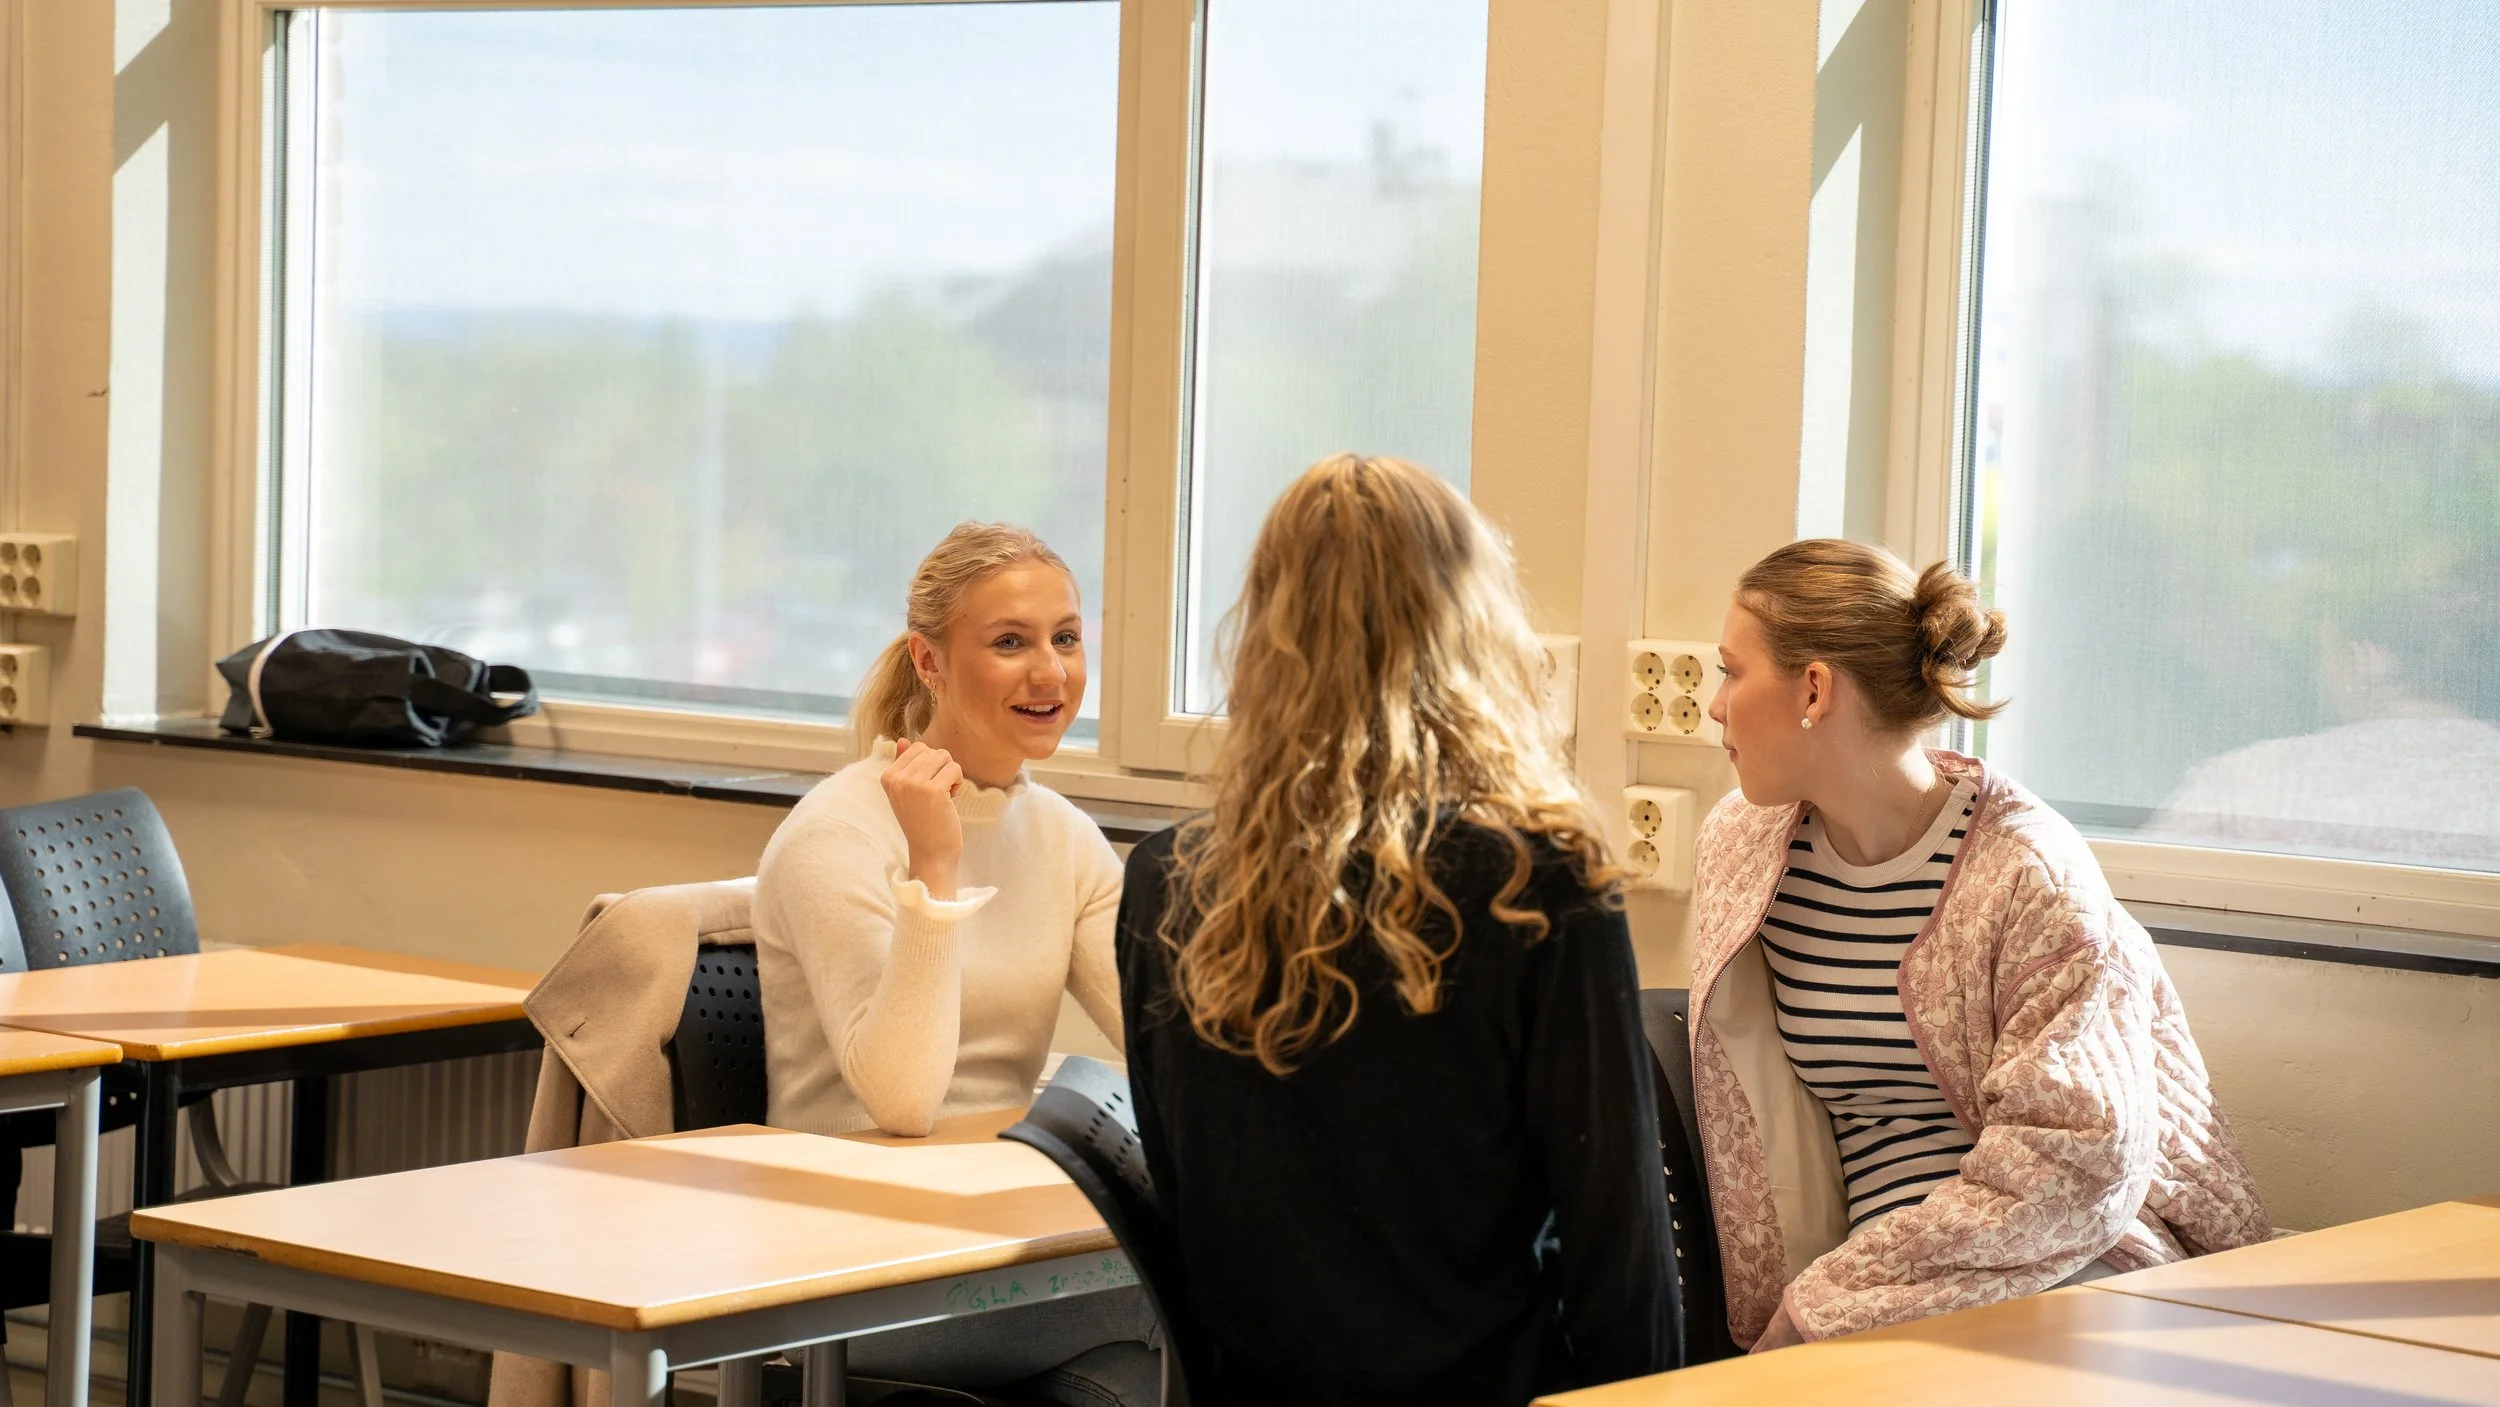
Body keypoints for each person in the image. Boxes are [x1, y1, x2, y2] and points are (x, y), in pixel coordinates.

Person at [1116, 454, 1678, 1407]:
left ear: (1262, 629)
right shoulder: (1537, 878)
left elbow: (1188, 1207)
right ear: (1470, 623)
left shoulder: (1168, 878)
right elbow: (1617, 1249)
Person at [1691, 538, 2271, 1353]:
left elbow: (2075, 1165)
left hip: (2054, 1272)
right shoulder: (1743, 847)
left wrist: (1829, 1303)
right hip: (1866, 1296)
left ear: (1813, 688)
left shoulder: (2026, 871)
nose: (1714, 705)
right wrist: (1823, 1303)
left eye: (1729, 670)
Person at [753, 521, 1156, 1404]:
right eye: (1009, 643)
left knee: (1131, 1377)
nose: (1049, 672)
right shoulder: (837, 833)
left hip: (994, 1235)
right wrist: (934, 871)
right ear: (928, 662)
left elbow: (1171, 1043)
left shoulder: (1062, 836)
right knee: (1201, 1299)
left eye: (1066, 637)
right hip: (851, 1268)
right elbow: (901, 1102)